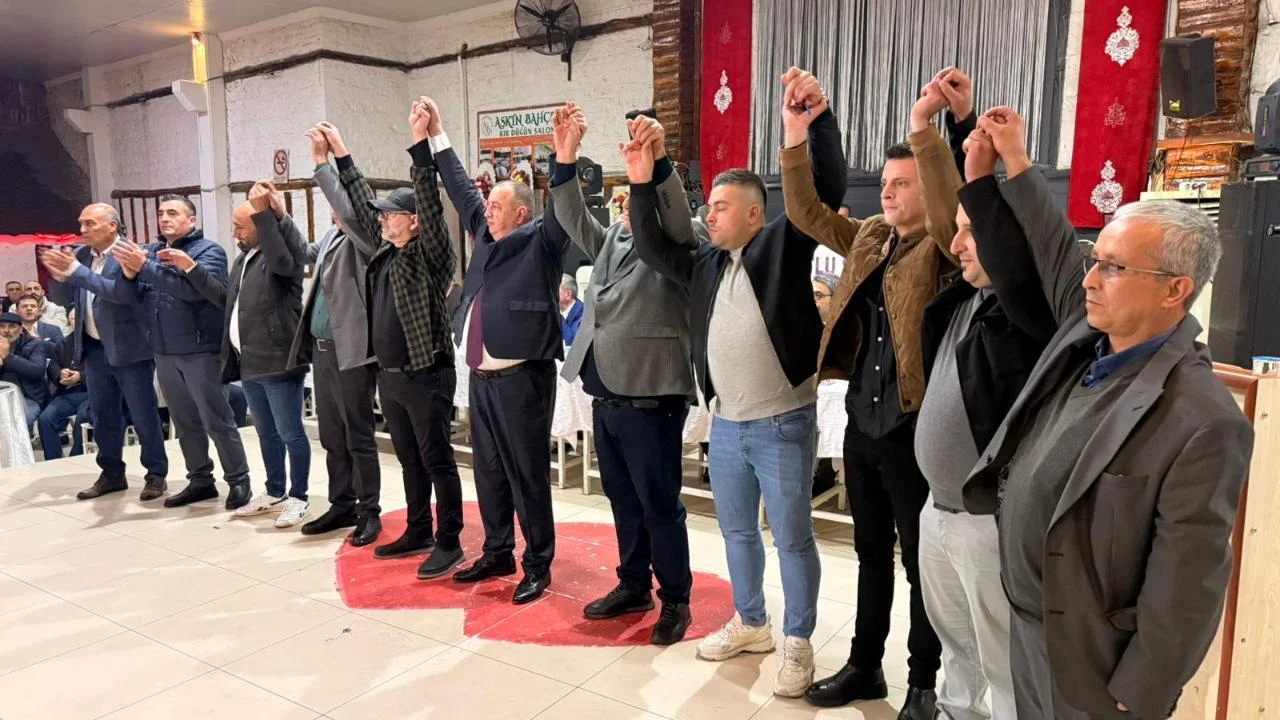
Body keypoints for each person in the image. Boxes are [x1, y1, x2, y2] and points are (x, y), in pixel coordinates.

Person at [963, 107, 1253, 720]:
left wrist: (1141, 691)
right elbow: (1050, 244)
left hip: (1093, 667)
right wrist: (1011, 160)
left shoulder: (1203, 419)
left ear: (1175, 289)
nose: (1091, 279)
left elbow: (1188, 583)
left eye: (1115, 267)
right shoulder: (1085, 339)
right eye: (1096, 259)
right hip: (1029, 632)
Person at [631, 69, 847, 698]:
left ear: (755, 213)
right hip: (726, 426)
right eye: (709, 205)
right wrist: (642, 181)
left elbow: (827, 188)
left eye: (721, 206)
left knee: (793, 539)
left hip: (782, 422)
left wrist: (811, 125)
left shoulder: (783, 244)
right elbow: (653, 247)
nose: (709, 213)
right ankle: (752, 622)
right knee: (737, 532)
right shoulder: (706, 264)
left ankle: (798, 640)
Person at [782, 68, 975, 717]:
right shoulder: (870, 235)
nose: (888, 192)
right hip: (863, 423)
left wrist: (926, 129)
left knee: (921, 564)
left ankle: (923, 682)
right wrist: (796, 135)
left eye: (903, 183)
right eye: (886, 183)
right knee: (869, 553)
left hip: (914, 427)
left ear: (929, 187)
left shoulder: (946, 248)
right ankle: (866, 666)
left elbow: (953, 205)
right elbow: (807, 213)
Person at [905, 100, 1059, 719]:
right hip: (938, 510)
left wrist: (989, 167)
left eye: (972, 232)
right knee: (958, 650)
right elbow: (960, 214)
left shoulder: (1028, 313)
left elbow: (1015, 250)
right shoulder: (964, 298)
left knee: (1001, 659)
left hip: (987, 519)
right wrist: (964, 132)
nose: (956, 243)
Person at [553, 103, 702, 645]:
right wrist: (565, 158)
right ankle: (634, 584)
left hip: (650, 393)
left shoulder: (686, 237)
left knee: (660, 506)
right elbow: (572, 218)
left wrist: (656, 166)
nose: (626, 205)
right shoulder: (614, 239)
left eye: (634, 195)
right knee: (622, 500)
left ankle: (676, 599)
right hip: (607, 393)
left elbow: (673, 220)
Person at [423, 94, 569, 605]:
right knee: (488, 471)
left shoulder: (542, 241)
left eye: (498, 205)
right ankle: (498, 550)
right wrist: (436, 133)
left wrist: (564, 155)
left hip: (523, 379)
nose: (487, 210)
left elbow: (564, 209)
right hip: (482, 379)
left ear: (522, 213)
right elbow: (461, 187)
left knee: (528, 475)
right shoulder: (484, 234)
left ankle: (538, 563)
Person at [329, 105, 464, 579]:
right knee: (409, 460)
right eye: (384, 216)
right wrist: (342, 156)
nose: (383, 221)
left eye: (392, 215)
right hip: (391, 377)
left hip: (426, 375)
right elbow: (362, 204)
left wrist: (421, 143)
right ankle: (419, 529)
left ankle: (450, 541)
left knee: (436, 460)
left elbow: (430, 200)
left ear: (415, 221)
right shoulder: (385, 252)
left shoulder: (430, 256)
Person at [161, 183, 312, 529]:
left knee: (290, 433)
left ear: (261, 226)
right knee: (265, 432)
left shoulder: (281, 259)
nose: (234, 233)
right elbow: (224, 299)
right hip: (250, 362)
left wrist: (266, 213)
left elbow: (281, 260)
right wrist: (191, 268)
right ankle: (274, 490)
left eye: (240, 226)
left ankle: (299, 496)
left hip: (279, 361)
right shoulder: (244, 260)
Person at [110, 195, 253, 510]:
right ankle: (200, 480)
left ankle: (238, 480)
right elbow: (131, 295)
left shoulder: (209, 251)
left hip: (201, 350)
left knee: (217, 420)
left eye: (173, 213)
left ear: (191, 220)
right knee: (184, 422)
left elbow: (191, 291)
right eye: (161, 213)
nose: (165, 218)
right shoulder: (151, 253)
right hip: (164, 351)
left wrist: (145, 267)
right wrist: (130, 273)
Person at [286, 124, 383, 547]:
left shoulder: (366, 239)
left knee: (358, 435)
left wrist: (322, 163)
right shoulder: (332, 236)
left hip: (352, 352)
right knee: (331, 435)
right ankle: (341, 503)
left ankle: (369, 511)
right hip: (324, 352)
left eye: (338, 203)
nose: (333, 210)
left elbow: (351, 208)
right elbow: (303, 252)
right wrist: (276, 217)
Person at [39, 204, 168, 500]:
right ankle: (111, 474)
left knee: (143, 414)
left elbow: (121, 294)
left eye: (90, 223)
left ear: (112, 225)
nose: (82, 229)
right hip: (94, 348)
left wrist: (76, 272)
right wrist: (59, 276)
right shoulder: (81, 256)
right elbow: (65, 298)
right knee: (103, 416)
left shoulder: (132, 253)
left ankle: (155, 474)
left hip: (131, 349)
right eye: (81, 223)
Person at [38, 308, 91, 460]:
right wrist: (60, 372)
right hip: (68, 393)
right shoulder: (63, 343)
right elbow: (53, 365)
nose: (77, 321)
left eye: (81, 318)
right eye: (73, 318)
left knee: (83, 417)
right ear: (69, 322)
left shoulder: (101, 342)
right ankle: (53, 461)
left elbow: (108, 370)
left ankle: (76, 458)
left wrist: (80, 376)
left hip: (92, 392)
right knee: (45, 418)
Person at [0, 311, 50, 427]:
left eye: (11, 326)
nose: (6, 330)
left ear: (21, 329)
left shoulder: (34, 344)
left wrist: (7, 357)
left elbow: (37, 371)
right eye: (2, 326)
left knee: (18, 424)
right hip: (2, 397)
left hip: (28, 398)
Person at [558, 274, 584, 345]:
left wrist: (557, 316)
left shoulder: (584, 314)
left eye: (554, 289)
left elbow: (572, 342)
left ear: (568, 294)